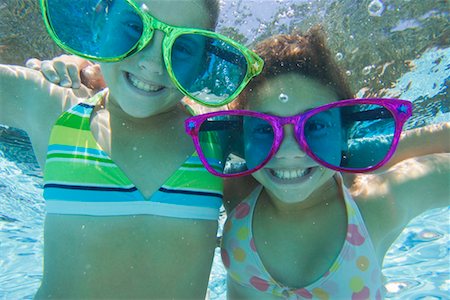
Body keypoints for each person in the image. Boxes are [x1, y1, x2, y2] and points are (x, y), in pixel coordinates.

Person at [0, 0, 264, 298]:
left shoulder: (216, 140)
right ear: (102, 22)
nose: (152, 63)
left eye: (183, 47)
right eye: (133, 28)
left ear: (203, 63)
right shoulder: (53, 105)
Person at [183, 27, 450, 299]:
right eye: (264, 128)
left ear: (345, 132)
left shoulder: (375, 207)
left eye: (316, 125)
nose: (287, 151)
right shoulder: (239, 190)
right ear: (242, 136)